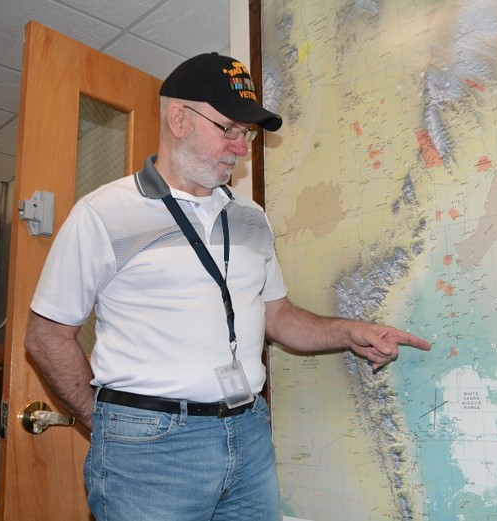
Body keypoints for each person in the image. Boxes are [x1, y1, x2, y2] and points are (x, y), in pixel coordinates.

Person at [24, 52, 431, 521]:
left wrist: (348, 332)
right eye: (228, 129)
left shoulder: (251, 217)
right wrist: (109, 424)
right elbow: (46, 336)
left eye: (247, 133)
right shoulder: (104, 213)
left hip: (249, 434)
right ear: (179, 119)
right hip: (151, 450)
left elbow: (277, 315)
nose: (241, 147)